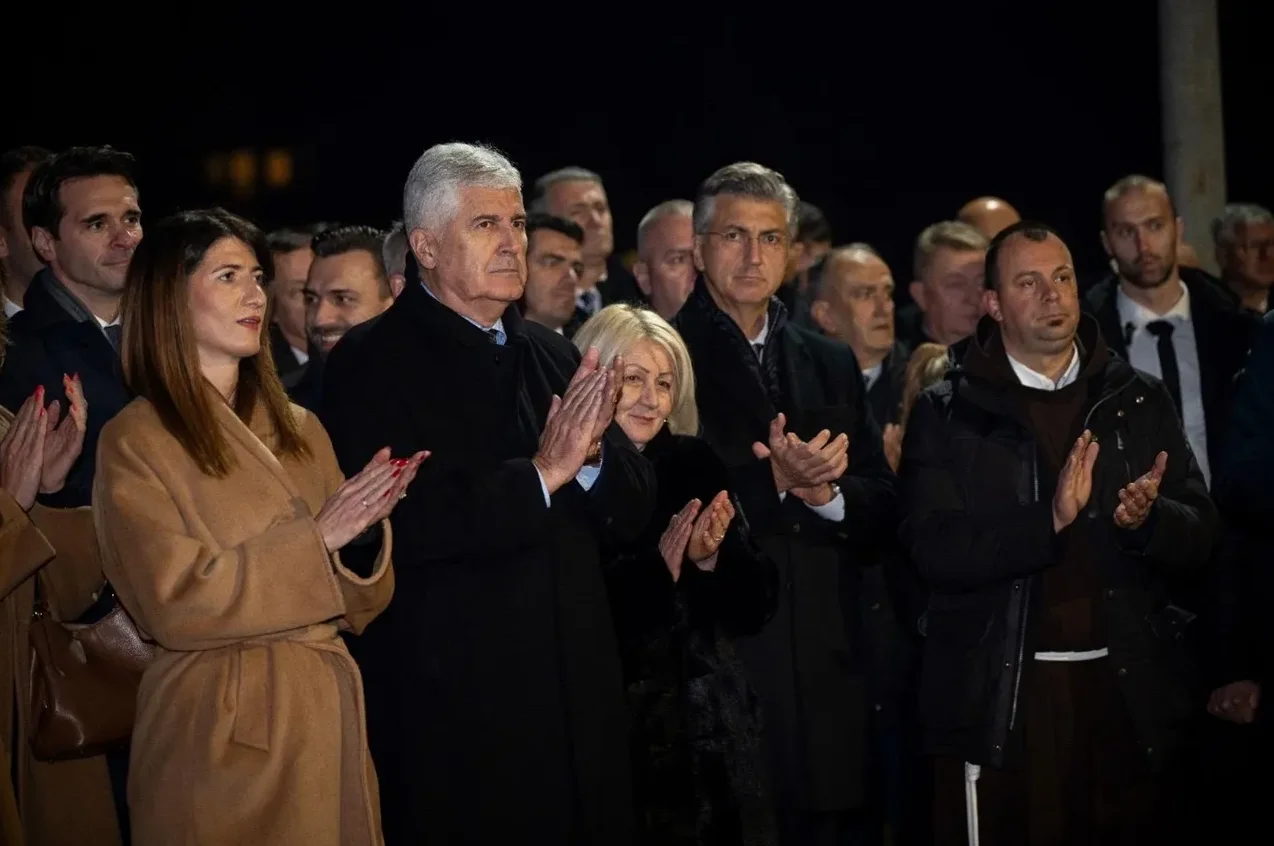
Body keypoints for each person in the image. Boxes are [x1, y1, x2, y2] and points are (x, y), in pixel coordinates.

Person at [320, 142, 656, 844]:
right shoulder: (370, 363)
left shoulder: (552, 352)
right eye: (486, 226)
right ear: (426, 247)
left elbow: (632, 513)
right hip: (458, 709)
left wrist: (592, 459)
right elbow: (398, 528)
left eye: (517, 224)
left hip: (575, 694)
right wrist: (540, 474)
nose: (513, 243)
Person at [93, 208, 421, 845]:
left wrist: (360, 533)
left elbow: (364, 604)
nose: (254, 295)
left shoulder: (302, 428)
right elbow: (173, 604)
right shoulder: (135, 440)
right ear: (169, 297)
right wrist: (316, 540)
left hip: (323, 720)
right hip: (217, 730)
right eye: (226, 276)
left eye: (256, 276)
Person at [901, 220, 1215, 844]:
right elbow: (931, 548)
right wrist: (1045, 523)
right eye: (1029, 282)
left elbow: (1202, 533)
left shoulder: (1136, 399)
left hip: (1128, 694)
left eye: (1063, 277)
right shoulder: (949, 411)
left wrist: (1148, 521)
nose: (1053, 296)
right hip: (1004, 702)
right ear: (993, 304)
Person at [673, 162, 897, 845]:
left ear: (793, 252)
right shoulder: (666, 354)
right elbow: (660, 508)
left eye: (770, 239)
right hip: (725, 661)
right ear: (700, 245)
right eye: (735, 236)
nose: (752, 255)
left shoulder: (829, 360)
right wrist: (772, 486)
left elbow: (883, 504)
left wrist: (826, 493)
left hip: (831, 658)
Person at [574, 303, 779, 845]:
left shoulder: (694, 462)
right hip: (610, 731)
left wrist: (711, 560)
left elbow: (756, 604)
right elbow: (576, 612)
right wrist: (656, 572)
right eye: (634, 379)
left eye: (664, 383)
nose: (651, 398)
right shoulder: (562, 474)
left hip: (712, 733)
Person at [0, 321, 122, 845]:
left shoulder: (10, 424)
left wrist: (48, 495)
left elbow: (68, 593)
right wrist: (12, 504)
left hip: (34, 722)